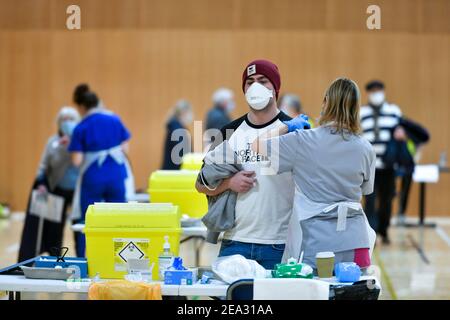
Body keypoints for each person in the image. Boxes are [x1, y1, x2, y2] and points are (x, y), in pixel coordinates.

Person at [252, 78, 376, 270]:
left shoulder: (302, 140)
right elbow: (365, 190)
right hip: (357, 242)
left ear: (326, 102)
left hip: (317, 242)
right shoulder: (366, 148)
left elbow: (257, 145)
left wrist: (286, 126)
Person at [196, 59, 294, 270]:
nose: (255, 86)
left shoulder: (292, 131)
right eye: (250, 82)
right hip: (235, 242)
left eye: (263, 81)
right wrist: (229, 183)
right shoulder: (228, 131)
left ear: (275, 88)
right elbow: (200, 184)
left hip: (280, 244)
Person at [69, 91, 133, 257]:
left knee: (88, 221)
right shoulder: (114, 119)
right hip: (116, 174)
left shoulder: (81, 127)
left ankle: (87, 259)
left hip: (93, 176)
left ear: (82, 107)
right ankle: (119, 257)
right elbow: (125, 148)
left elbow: (76, 160)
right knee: (118, 220)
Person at [18, 107, 80, 262]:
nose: (66, 123)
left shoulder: (81, 141)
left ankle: (82, 257)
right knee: (54, 228)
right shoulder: (52, 142)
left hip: (78, 190)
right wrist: (40, 180)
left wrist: (72, 143)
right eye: (63, 119)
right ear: (58, 122)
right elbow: (43, 165)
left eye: (70, 119)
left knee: (79, 227)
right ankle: (55, 258)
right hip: (57, 188)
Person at [360, 80, 402, 244]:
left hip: (389, 165)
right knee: (369, 200)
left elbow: (400, 132)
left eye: (379, 90)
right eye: (373, 91)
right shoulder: (361, 112)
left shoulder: (394, 111)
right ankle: (372, 233)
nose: (376, 94)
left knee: (387, 198)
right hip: (370, 166)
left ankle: (384, 229)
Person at [161, 99, 194, 170]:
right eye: (190, 112)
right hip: (174, 173)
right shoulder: (177, 129)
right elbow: (183, 154)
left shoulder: (177, 127)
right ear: (183, 112)